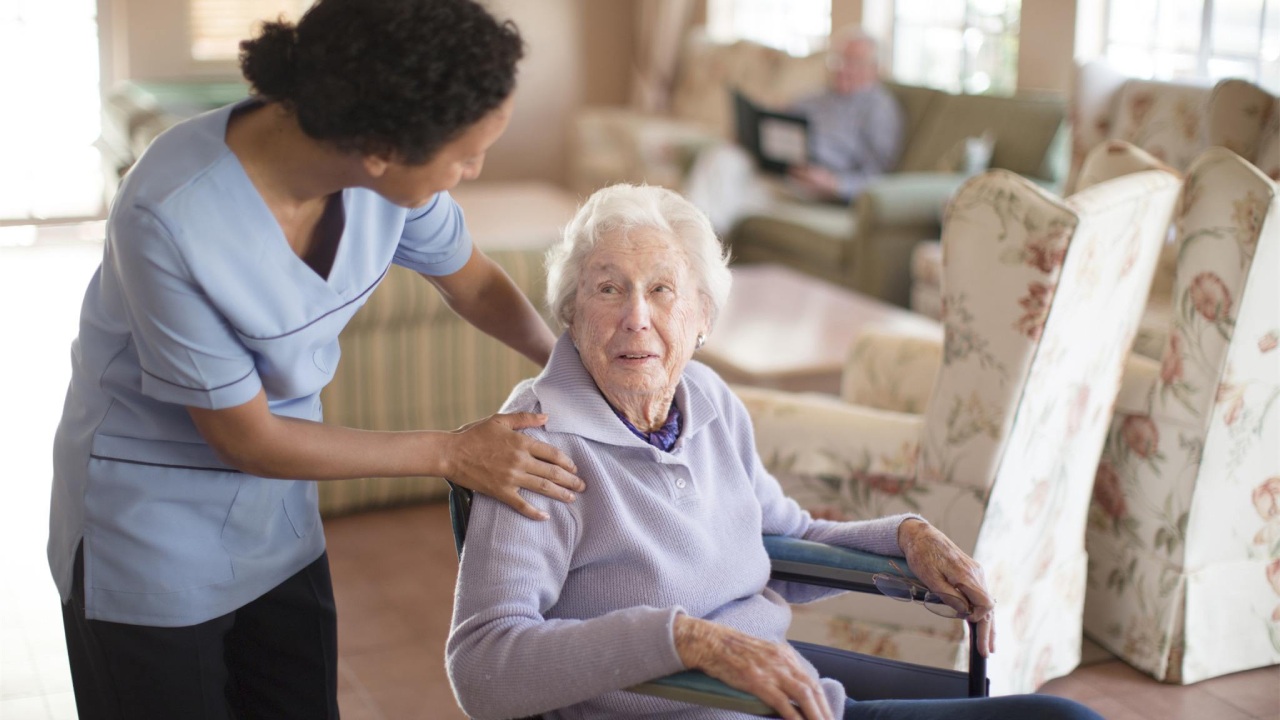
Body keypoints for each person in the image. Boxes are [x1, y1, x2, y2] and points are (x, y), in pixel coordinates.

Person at [47, 1, 584, 717]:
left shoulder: (384, 182)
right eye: (463, 155)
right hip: (151, 528)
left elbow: (475, 282)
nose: (473, 170)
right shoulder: (172, 215)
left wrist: (572, 367)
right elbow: (246, 436)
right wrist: (453, 453)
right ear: (379, 150)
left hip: (279, 512)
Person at [446, 184, 1101, 720]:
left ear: (703, 316)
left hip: (785, 687)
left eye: (662, 290)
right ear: (571, 312)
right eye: (608, 288)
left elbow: (779, 543)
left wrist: (903, 537)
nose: (636, 317)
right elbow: (483, 666)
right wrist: (686, 640)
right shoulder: (534, 444)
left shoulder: (707, 401)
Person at [683, 27, 906, 235]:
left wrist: (834, 184)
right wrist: (750, 134)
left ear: (875, 68)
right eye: (838, 60)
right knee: (722, 157)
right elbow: (776, 120)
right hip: (779, 171)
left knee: (728, 197)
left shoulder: (880, 109)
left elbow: (878, 177)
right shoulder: (817, 98)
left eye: (853, 62)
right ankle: (688, 242)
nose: (842, 68)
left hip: (816, 188)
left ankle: (689, 248)